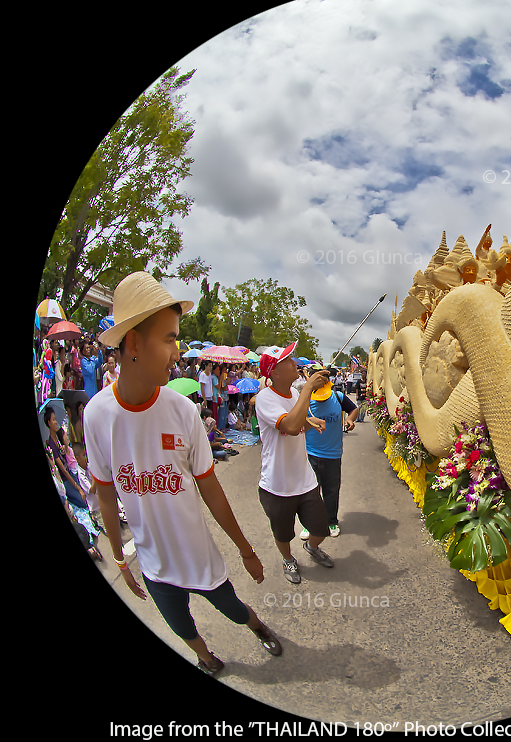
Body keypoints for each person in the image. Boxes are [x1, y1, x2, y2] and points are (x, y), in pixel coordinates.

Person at [83, 271, 282, 677]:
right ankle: (205, 658)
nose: (177, 352)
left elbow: (210, 488)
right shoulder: (96, 415)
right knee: (180, 624)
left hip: (198, 556)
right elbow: (105, 493)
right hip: (155, 566)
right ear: (134, 344)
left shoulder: (183, 412)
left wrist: (245, 549)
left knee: (233, 609)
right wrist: (121, 560)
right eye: (170, 338)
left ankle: (258, 626)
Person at [254, 341, 335, 584]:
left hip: (304, 479)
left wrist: (309, 421)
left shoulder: (295, 394)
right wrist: (309, 387)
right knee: (284, 533)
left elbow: (296, 417)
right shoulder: (265, 399)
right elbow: (289, 426)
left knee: (321, 529)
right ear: (274, 372)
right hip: (278, 484)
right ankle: (288, 559)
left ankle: (312, 548)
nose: (295, 363)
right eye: (288, 360)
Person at [301, 365, 358, 539]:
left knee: (331, 491)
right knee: (310, 492)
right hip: (310, 453)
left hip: (333, 454)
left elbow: (354, 409)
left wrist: (349, 418)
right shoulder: (305, 399)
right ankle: (308, 524)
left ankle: (331, 520)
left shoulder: (338, 396)